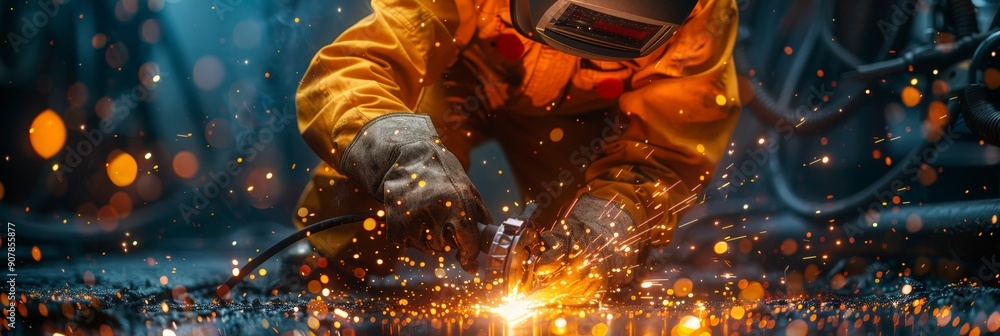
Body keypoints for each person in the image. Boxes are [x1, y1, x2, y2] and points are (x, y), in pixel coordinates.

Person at [294, 0, 741, 301]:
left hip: (580, 120)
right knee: (396, 150)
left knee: (571, 264)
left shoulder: (703, 13)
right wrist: (403, 157)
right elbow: (350, 75)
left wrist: (612, 219)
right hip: (457, 81)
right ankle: (324, 261)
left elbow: (667, 145)